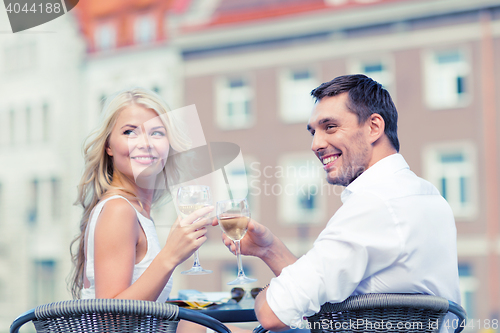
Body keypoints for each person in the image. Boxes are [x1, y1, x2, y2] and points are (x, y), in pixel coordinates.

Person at [218, 74, 461, 331]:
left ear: (373, 127)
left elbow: (272, 313)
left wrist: (271, 290)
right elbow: (325, 288)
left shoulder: (373, 204)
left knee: (197, 327)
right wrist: (269, 250)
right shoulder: (428, 196)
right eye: (313, 132)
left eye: (330, 127)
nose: (316, 144)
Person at [69, 88, 212, 331]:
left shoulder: (137, 210)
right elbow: (111, 322)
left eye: (157, 132)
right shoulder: (118, 211)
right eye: (129, 132)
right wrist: (171, 256)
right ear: (108, 146)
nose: (145, 143)